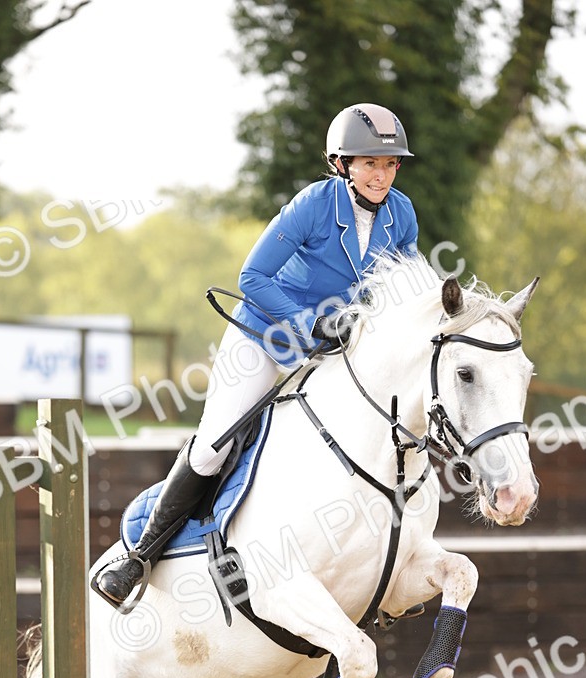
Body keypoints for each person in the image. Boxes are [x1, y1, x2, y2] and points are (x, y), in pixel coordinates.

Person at [96, 102, 418, 606]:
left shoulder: (401, 215)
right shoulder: (313, 204)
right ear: (342, 164)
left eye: (390, 163)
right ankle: (139, 556)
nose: (382, 174)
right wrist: (311, 321)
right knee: (215, 446)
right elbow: (253, 277)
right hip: (265, 338)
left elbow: (405, 288)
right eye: (370, 163)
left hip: (328, 350)